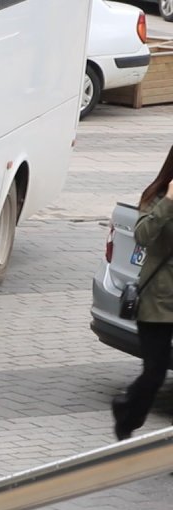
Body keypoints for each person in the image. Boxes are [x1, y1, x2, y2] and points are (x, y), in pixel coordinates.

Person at [113, 146, 173, 440]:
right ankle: (127, 412)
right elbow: (142, 236)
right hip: (158, 302)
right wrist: (169, 202)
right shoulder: (156, 198)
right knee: (154, 375)